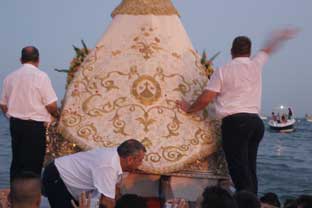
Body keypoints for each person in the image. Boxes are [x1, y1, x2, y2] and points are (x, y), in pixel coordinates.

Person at [176, 28, 297, 194]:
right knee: (250, 169)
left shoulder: (223, 71)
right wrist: (280, 37)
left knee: (239, 171)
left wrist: (189, 109)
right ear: (249, 52)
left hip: (235, 124)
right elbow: (268, 49)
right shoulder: (256, 64)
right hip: (256, 124)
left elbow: (205, 98)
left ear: (231, 51)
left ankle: (245, 203)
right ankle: (252, 202)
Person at [0, 46, 58, 182]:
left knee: (17, 162)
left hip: (16, 124)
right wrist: (56, 115)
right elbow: (51, 105)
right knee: (33, 164)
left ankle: (16, 195)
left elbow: (3, 104)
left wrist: (10, 116)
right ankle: (30, 196)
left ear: (21, 60)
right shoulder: (41, 76)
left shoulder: (9, 78)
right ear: (38, 60)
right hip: (35, 126)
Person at [42, 139, 146, 208]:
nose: (141, 164)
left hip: (67, 180)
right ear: (130, 159)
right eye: (140, 160)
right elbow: (107, 202)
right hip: (58, 176)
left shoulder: (116, 158)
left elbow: (113, 192)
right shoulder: (108, 166)